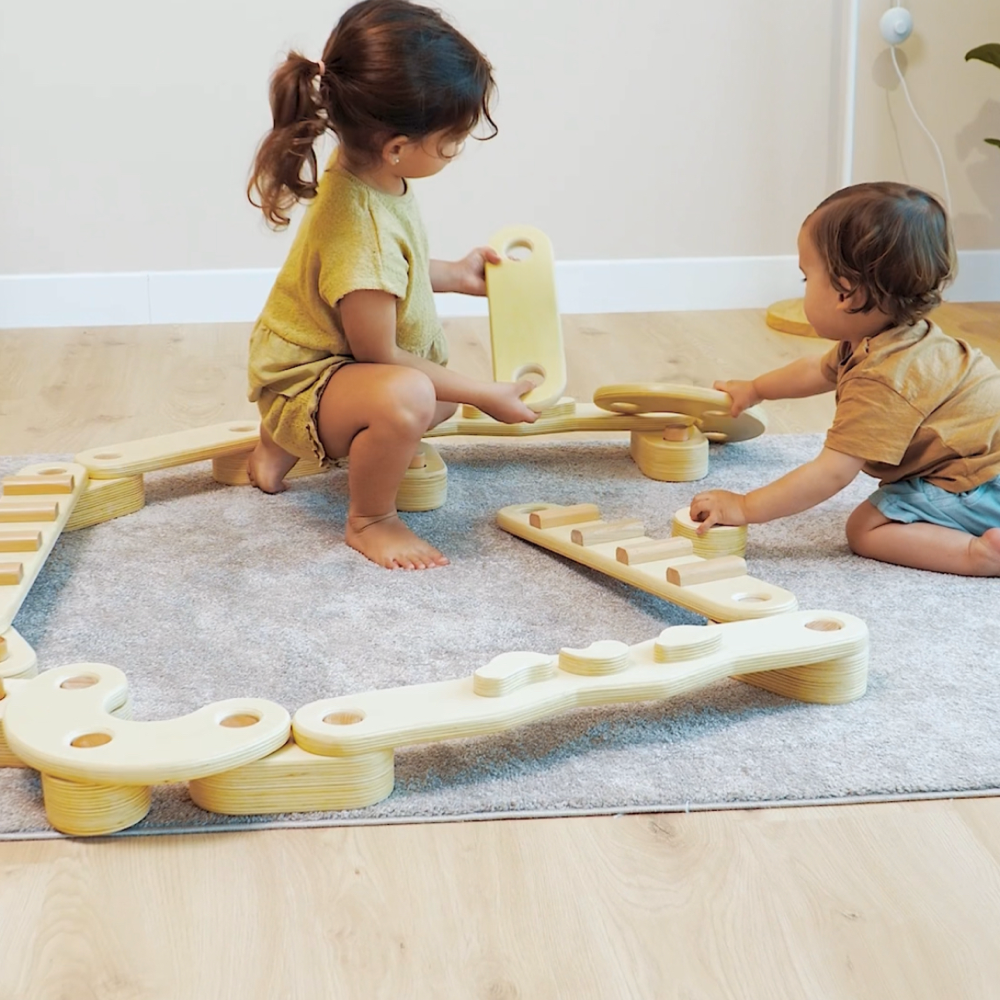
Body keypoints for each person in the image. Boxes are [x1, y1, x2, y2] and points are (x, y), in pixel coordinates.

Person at [245, 0, 537, 570]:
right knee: (413, 398)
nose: (455, 152)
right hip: (305, 380)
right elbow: (378, 352)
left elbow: (381, 278)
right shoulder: (361, 226)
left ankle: (280, 444)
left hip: (324, 367)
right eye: (451, 141)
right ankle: (370, 519)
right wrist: (486, 391)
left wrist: (452, 273)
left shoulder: (370, 175)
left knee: (433, 402)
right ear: (398, 146)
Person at [689, 181, 1000, 576]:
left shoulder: (883, 380)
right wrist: (754, 390)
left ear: (846, 294)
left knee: (865, 528)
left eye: (806, 278)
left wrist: (745, 506)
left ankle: (979, 554)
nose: (803, 288)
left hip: (979, 486)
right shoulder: (887, 339)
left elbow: (831, 473)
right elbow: (816, 371)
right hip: (987, 460)